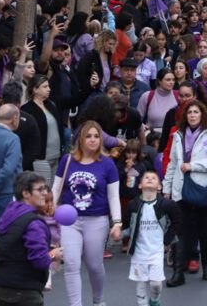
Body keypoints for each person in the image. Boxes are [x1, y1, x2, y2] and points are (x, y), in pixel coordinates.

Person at [52, 120, 123, 306]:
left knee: (94, 265)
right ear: (80, 139)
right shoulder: (67, 160)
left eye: (96, 136)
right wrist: (50, 212)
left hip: (97, 220)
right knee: (71, 264)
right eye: (88, 136)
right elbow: (56, 189)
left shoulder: (107, 164)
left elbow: (113, 196)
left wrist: (117, 221)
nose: (92, 140)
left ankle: (98, 301)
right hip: (69, 221)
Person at [163, 100, 207, 285]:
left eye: (196, 112)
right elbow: (173, 165)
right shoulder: (177, 135)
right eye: (189, 112)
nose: (192, 115)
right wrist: (166, 189)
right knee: (180, 230)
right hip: (180, 190)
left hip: (203, 190)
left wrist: (193, 166)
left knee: (203, 230)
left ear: (202, 115)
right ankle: (178, 272)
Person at [0, 172, 61, 306]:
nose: (45, 193)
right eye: (40, 189)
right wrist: (53, 254)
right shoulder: (34, 223)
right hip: (24, 292)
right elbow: (39, 261)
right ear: (25, 193)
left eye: (45, 188)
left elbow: (14, 245)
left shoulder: (7, 215)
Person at [124, 170, 181, 306]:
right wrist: (118, 233)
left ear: (159, 186)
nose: (150, 179)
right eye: (146, 178)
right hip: (138, 252)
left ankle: (154, 300)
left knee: (156, 284)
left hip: (156, 250)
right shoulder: (133, 205)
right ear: (140, 185)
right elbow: (127, 225)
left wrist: (167, 241)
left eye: (154, 178)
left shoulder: (167, 205)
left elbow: (177, 222)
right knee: (141, 282)